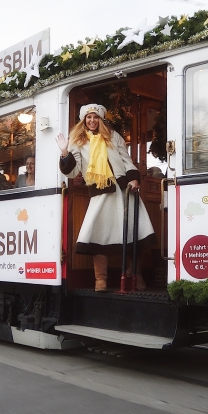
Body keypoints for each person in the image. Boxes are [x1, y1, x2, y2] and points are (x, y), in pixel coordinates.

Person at [57, 103, 155, 291]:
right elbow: (73, 171)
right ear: (83, 120)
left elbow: (126, 160)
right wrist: (64, 153)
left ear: (100, 119)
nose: (92, 120)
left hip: (124, 189)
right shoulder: (77, 141)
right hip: (100, 192)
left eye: (95, 117)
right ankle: (100, 280)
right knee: (99, 235)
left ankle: (135, 275)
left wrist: (134, 179)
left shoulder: (114, 136)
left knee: (135, 233)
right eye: (88, 117)